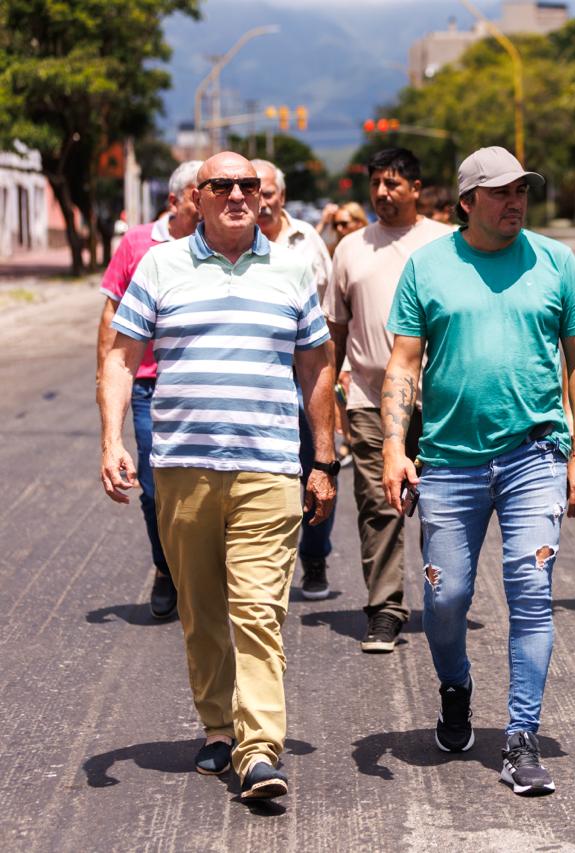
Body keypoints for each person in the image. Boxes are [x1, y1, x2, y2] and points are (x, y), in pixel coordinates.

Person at [98, 151, 337, 800]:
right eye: (222, 185)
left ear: (263, 197)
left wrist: (324, 457)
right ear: (195, 197)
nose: (237, 194)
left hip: (267, 468)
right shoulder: (160, 265)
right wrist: (112, 437)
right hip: (183, 471)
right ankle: (216, 728)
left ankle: (260, 750)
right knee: (202, 612)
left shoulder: (290, 268)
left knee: (258, 610)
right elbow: (121, 358)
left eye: (248, 185)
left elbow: (317, 366)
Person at [381, 145, 575, 796]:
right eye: (501, 192)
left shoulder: (555, 261)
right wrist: (396, 448)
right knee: (445, 598)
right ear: (467, 202)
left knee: (532, 593)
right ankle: (455, 687)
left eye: (522, 192)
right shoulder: (428, 266)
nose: (515, 203)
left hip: (536, 452)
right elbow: (402, 364)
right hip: (448, 460)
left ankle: (521, 736)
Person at [322, 148, 453, 652]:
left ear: (416, 189)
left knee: (442, 505)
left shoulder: (446, 244)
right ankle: (385, 610)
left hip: (441, 401)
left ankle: (445, 600)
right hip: (369, 398)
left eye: (393, 183)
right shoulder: (351, 249)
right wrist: (332, 395)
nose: (381, 192)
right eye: (376, 183)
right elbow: (335, 332)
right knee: (380, 504)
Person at [95, 159, 202, 620]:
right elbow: (111, 313)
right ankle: (166, 569)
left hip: (200, 383)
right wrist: (104, 380)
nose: (214, 199)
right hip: (148, 383)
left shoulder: (222, 244)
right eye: (203, 191)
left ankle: (205, 575)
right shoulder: (139, 242)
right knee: (156, 487)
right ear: (177, 200)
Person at [253, 158, 338, 600]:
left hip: (305, 370)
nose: (261, 202)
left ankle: (315, 554)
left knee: (318, 462)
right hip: (257, 374)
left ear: (280, 196)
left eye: (268, 193)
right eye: (254, 192)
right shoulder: (231, 244)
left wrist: (332, 384)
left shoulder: (307, 243)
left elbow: (329, 320)